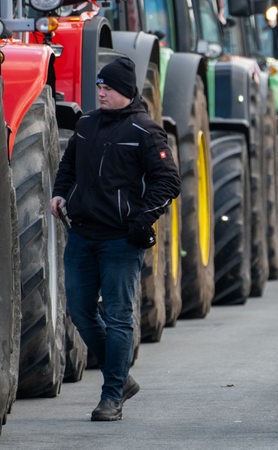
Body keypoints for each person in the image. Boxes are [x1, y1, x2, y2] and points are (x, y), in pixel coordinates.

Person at [50, 56, 181, 421]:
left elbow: (168, 181)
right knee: (79, 309)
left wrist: (143, 219)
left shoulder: (146, 131)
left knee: (121, 316)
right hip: (82, 234)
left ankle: (111, 397)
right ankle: (121, 377)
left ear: (124, 90)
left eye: (107, 87)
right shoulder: (87, 124)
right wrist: (60, 193)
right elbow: (69, 165)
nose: (101, 92)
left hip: (121, 240)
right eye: (99, 87)